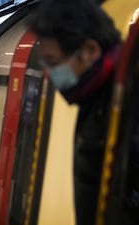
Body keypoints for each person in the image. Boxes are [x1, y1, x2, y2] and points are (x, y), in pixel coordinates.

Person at [26, 0, 122, 224]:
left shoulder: (124, 102)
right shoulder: (95, 96)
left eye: (53, 62)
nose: (50, 74)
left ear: (90, 50)